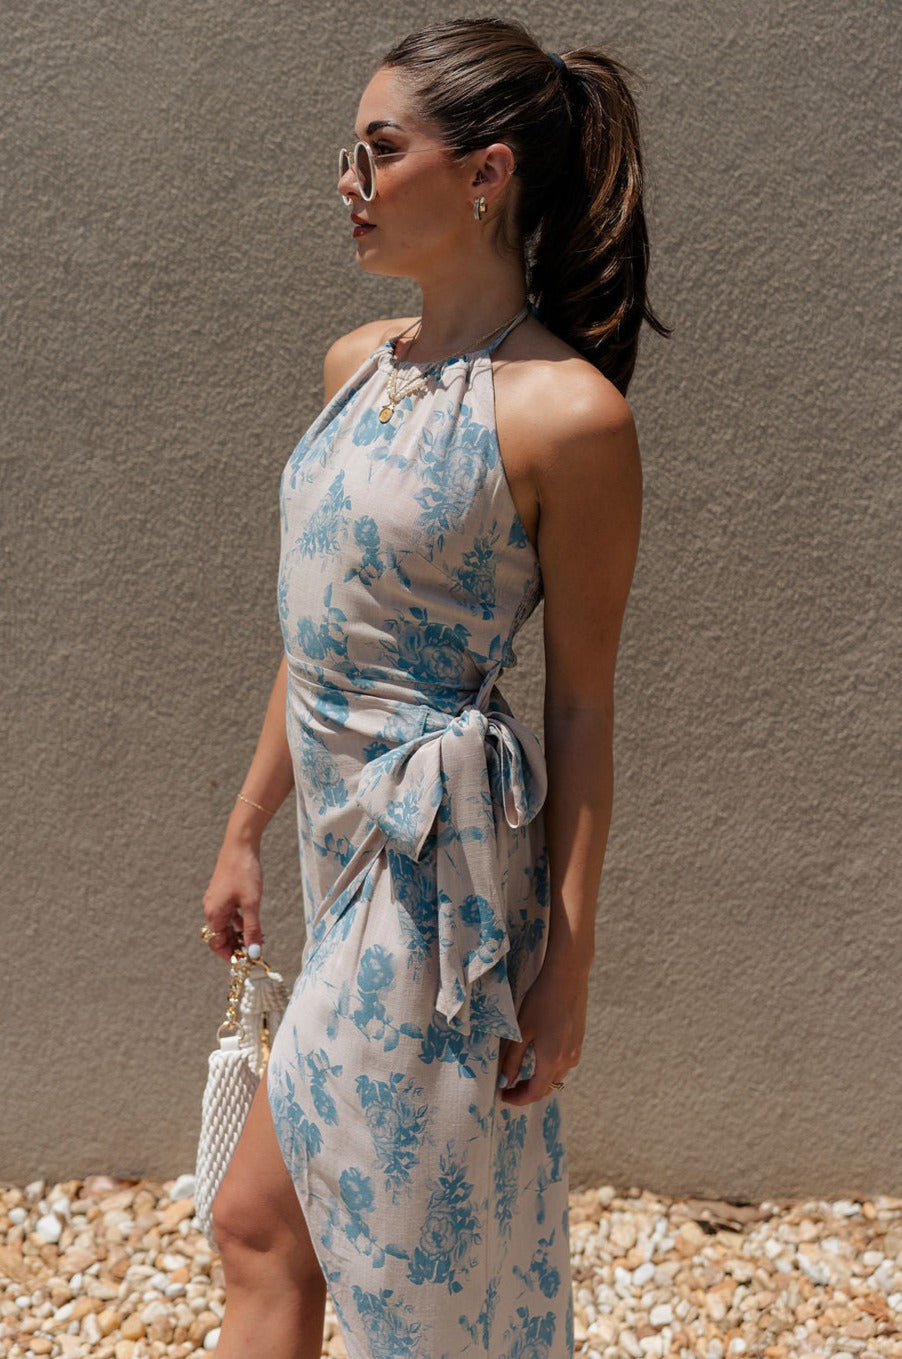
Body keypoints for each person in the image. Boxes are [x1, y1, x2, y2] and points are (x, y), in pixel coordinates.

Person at [200, 17, 668, 1359]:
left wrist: (565, 957)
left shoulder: (569, 418)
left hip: (437, 880)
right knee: (297, 1234)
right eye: (348, 150)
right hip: (332, 849)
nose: (346, 178)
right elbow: (320, 623)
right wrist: (242, 824)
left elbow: (581, 703)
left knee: (295, 1230)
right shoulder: (355, 368)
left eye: (378, 148)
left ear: (485, 173)